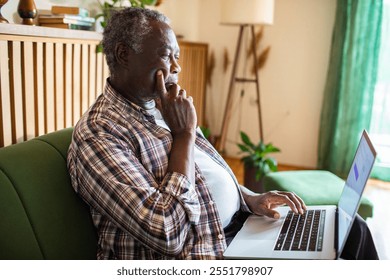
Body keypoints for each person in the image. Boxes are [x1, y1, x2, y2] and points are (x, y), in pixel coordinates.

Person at [67, 7, 378, 260]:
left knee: (351, 229)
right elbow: (167, 234)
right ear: (123, 55)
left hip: (237, 231)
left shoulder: (161, 105)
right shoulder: (100, 135)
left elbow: (202, 176)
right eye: (166, 55)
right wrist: (185, 136)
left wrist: (249, 198)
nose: (177, 66)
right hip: (205, 256)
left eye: (178, 56)